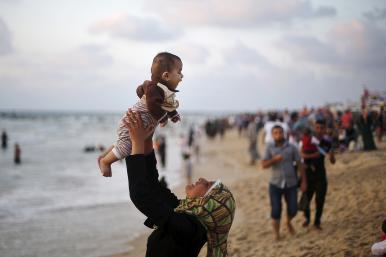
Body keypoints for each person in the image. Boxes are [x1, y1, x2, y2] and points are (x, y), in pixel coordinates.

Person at [123, 110, 236, 257]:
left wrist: (136, 143)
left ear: (207, 203)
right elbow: (153, 186)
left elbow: (141, 196)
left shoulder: (190, 229)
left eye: (208, 185)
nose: (202, 179)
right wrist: (147, 139)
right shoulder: (185, 214)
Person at [98, 52, 183, 177]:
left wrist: (173, 115)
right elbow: (153, 105)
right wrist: (163, 117)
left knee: (124, 142)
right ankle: (105, 162)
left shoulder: (161, 90)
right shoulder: (155, 88)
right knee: (126, 147)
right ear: (166, 75)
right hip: (134, 121)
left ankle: (103, 155)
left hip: (138, 123)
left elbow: (167, 105)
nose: (182, 76)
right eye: (179, 72)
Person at [262, 125, 307, 241]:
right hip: (275, 184)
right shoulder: (269, 147)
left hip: (291, 183)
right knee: (276, 210)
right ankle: (276, 233)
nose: (278, 135)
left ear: (284, 134)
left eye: (280, 132)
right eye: (276, 133)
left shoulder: (292, 147)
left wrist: (303, 182)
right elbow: (263, 165)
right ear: (272, 135)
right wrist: (274, 160)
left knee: (293, 209)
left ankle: (288, 221)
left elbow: (300, 164)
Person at [301, 119, 335, 230]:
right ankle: (307, 219)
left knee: (320, 199)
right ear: (315, 128)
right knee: (306, 199)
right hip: (307, 173)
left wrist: (331, 156)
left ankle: (317, 221)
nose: (319, 130)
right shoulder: (309, 139)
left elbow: (333, 161)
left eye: (322, 128)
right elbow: (301, 154)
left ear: (325, 128)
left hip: (320, 173)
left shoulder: (327, 142)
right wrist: (313, 156)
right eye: (317, 128)